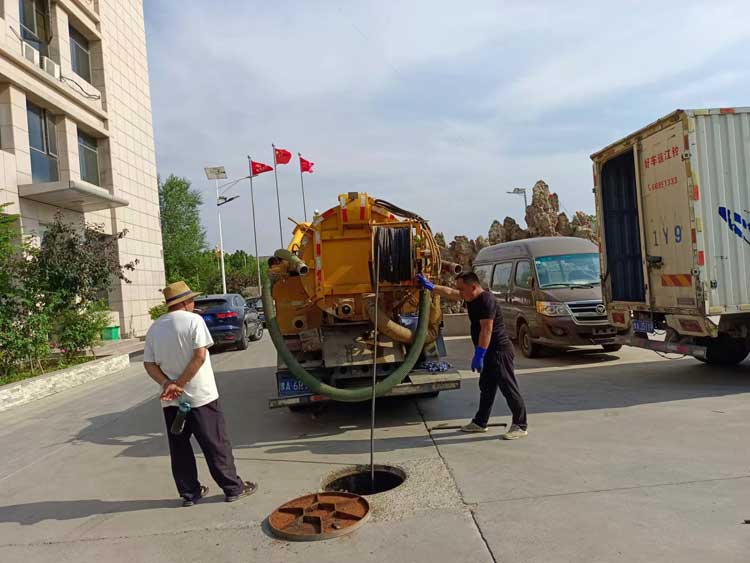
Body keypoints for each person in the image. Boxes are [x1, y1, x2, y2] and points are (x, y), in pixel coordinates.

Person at [143, 281, 257, 506]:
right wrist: (181, 383)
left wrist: (168, 384)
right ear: (185, 302)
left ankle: (190, 493)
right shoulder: (194, 321)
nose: (194, 303)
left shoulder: (155, 327)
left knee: (180, 448)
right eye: (192, 299)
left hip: (171, 401)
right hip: (201, 396)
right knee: (215, 443)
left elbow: (149, 364)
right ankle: (232, 487)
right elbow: (200, 356)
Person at [417, 272, 528, 439]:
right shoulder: (470, 297)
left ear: (473, 287)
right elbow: (450, 292)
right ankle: (480, 422)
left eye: (462, 289)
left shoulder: (486, 300)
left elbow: (486, 329)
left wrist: (479, 354)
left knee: (508, 387)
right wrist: (431, 286)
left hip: (499, 351)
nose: (460, 292)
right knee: (486, 387)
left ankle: (520, 425)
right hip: (488, 351)